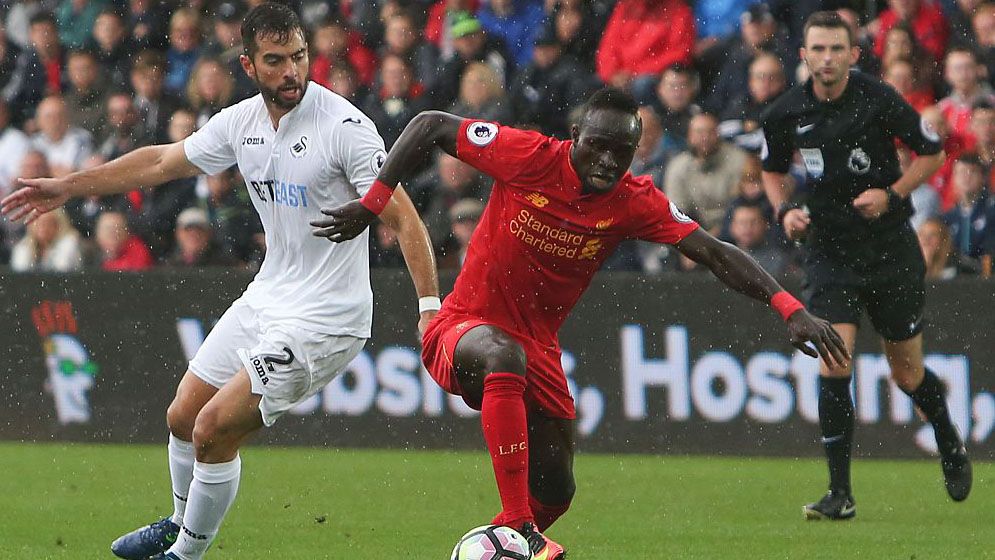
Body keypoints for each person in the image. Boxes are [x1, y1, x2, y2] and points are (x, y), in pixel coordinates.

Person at [312, 87, 849, 559]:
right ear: (575, 137)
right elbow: (429, 124)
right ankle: (516, 527)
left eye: (623, 150)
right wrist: (372, 201)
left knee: (558, 490)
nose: (608, 160)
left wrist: (789, 307)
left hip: (538, 350)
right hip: (462, 328)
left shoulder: (634, 202)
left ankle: (503, 547)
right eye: (598, 144)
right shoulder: (526, 154)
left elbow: (713, 251)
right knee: (503, 356)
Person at [1, 4, 439, 560]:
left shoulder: (345, 129)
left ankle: (186, 553)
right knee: (182, 416)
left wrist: (429, 307)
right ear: (249, 65)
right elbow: (162, 162)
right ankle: (180, 521)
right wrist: (69, 186)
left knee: (213, 429)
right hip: (267, 297)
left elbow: (404, 217)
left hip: (326, 318)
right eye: (275, 61)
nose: (291, 73)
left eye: (299, 57)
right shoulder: (241, 123)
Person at [760, 11, 972, 521]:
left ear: (855, 55)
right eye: (819, 49)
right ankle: (840, 493)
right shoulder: (785, 112)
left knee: (906, 373)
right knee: (835, 357)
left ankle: (948, 439)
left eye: (838, 49)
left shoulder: (878, 99)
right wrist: (785, 210)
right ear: (804, 55)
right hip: (829, 253)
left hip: (889, 253)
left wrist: (893, 193)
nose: (828, 58)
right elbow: (770, 169)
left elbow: (932, 152)